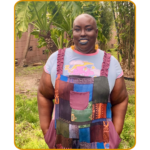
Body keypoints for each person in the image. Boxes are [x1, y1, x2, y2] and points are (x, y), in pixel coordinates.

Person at [37, 13, 128, 149]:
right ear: (72, 32)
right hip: (62, 143)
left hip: (100, 144)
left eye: (88, 29)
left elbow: (120, 99)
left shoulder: (111, 63)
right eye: (77, 29)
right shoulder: (56, 59)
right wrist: (47, 131)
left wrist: (115, 133)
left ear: (96, 32)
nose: (83, 33)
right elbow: (44, 94)